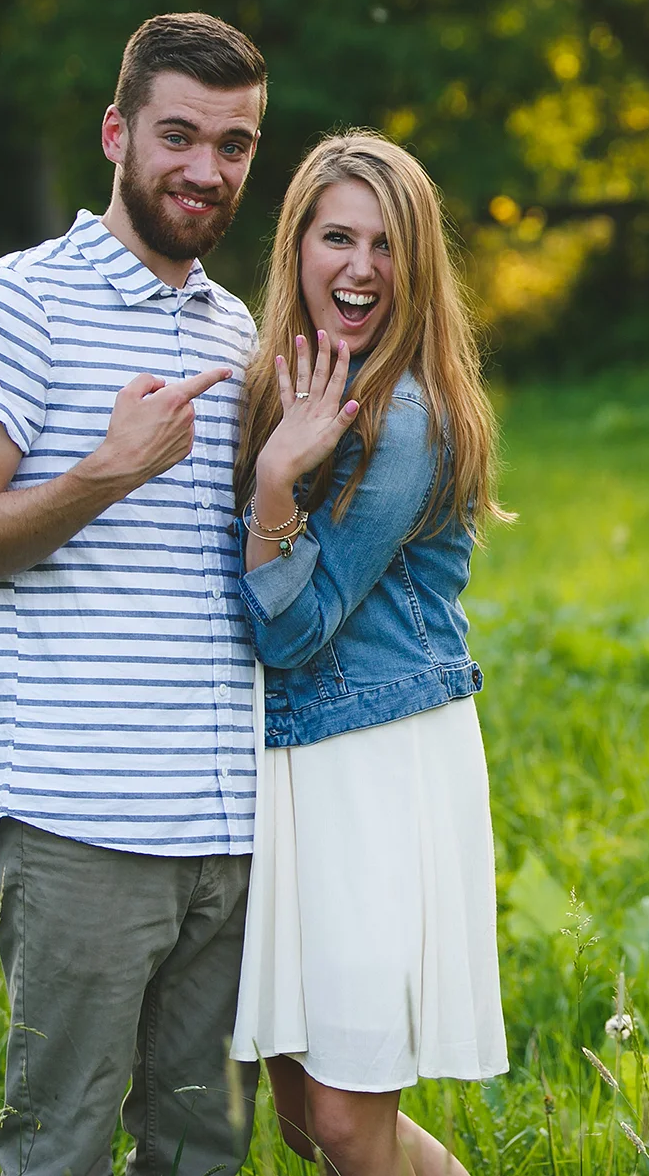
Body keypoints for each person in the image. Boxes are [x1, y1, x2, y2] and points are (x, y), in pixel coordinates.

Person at [0, 13, 269, 1174]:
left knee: (203, 1150)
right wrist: (106, 471)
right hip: (82, 824)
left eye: (234, 145)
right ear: (117, 133)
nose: (205, 169)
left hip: (229, 835)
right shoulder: (14, 302)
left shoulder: (237, 327)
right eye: (179, 135)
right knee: (59, 1147)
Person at [229, 131, 509, 1174]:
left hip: (375, 765)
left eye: (386, 245)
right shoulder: (284, 387)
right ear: (295, 248)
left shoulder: (407, 422)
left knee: (348, 1122)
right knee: (309, 1121)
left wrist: (270, 490)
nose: (358, 267)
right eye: (336, 236)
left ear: (417, 265)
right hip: (291, 771)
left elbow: (296, 629)